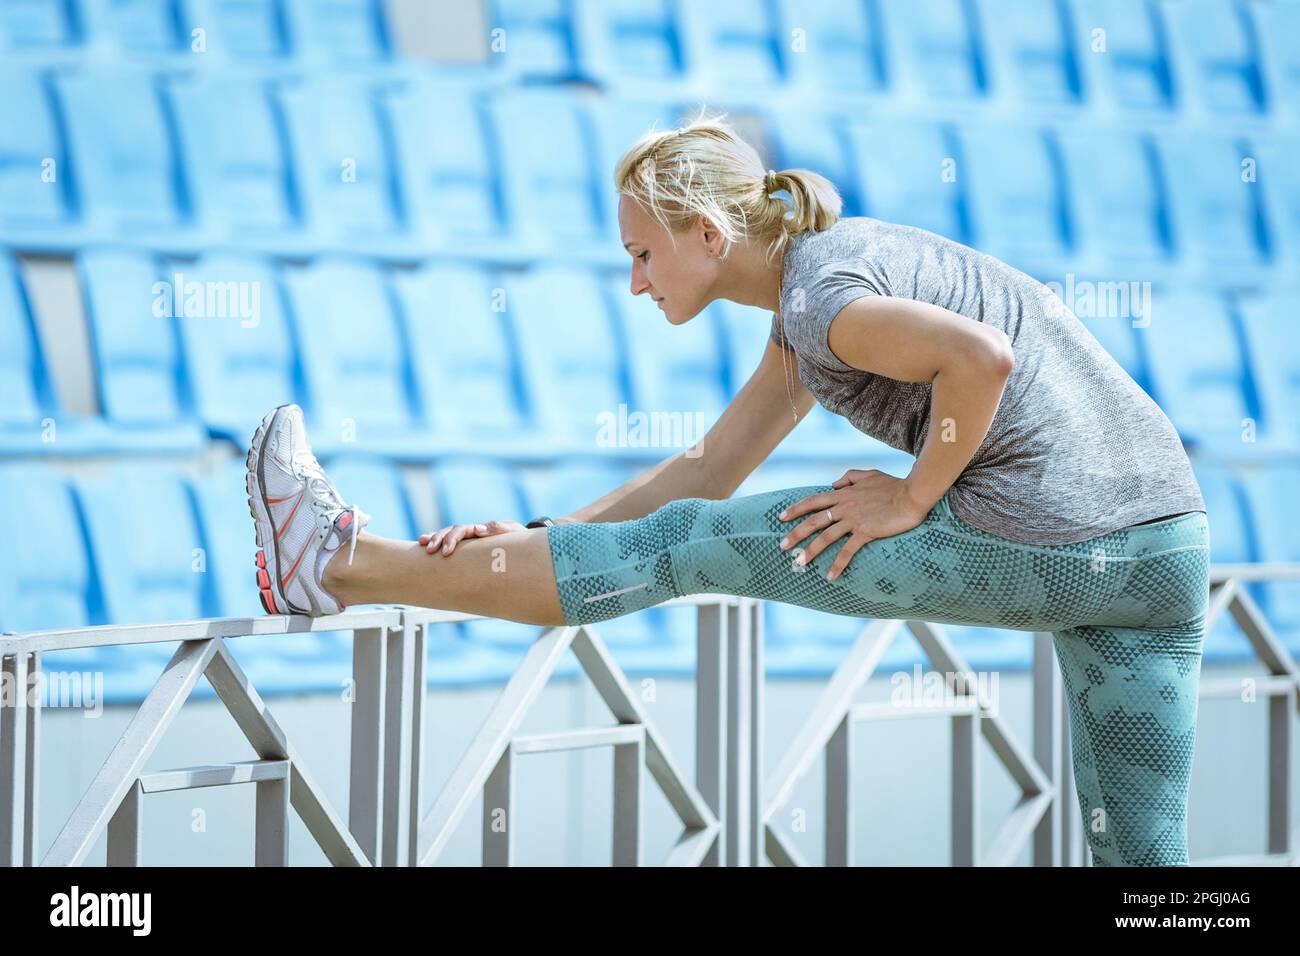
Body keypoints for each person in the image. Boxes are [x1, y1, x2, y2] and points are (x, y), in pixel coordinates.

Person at [244, 110, 1210, 866]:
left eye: (640, 254)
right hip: (1165, 553)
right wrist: (543, 532)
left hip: (1062, 531)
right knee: (1143, 860)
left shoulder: (823, 296)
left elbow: (981, 359)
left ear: (707, 234)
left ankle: (338, 563)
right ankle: (347, 562)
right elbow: (706, 468)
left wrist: (913, 497)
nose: (634, 282)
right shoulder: (817, 300)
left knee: (691, 545)